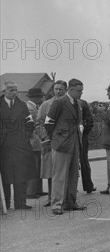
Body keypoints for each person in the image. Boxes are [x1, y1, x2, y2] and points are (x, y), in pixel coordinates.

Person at [45, 78, 87, 215]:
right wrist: (56, 139)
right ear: (70, 90)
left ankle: (70, 202)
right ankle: (57, 204)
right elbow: (48, 123)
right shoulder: (59, 102)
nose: (81, 93)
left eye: (82, 90)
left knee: (74, 174)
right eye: (79, 91)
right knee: (59, 175)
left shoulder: (78, 103)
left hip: (75, 143)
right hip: (61, 144)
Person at [0, 81, 37, 210]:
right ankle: (4, 205)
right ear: (4, 92)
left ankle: (20, 203)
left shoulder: (22, 105)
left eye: (16, 90)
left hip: (20, 146)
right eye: (11, 90)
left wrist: (24, 138)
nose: (14, 92)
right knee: (5, 175)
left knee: (21, 175)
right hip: (3, 147)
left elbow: (30, 123)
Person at [37, 80, 67, 207]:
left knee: (64, 171)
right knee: (51, 171)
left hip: (65, 142)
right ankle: (51, 197)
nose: (58, 91)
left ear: (65, 90)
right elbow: (39, 122)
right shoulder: (46, 105)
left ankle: (65, 198)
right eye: (56, 89)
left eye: (61, 89)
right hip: (50, 141)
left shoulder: (69, 103)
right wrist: (44, 136)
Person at [25, 87, 45, 199]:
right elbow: (34, 124)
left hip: (35, 142)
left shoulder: (33, 107)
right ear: (36, 97)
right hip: (33, 141)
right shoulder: (30, 108)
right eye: (40, 96)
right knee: (34, 166)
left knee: (38, 166)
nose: (41, 98)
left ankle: (37, 190)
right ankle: (31, 191)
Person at [79, 98, 96, 193]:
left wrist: (84, 133)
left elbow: (89, 121)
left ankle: (88, 185)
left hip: (79, 136)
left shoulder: (82, 103)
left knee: (83, 161)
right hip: (81, 136)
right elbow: (90, 121)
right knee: (84, 161)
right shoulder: (83, 103)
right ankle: (88, 186)